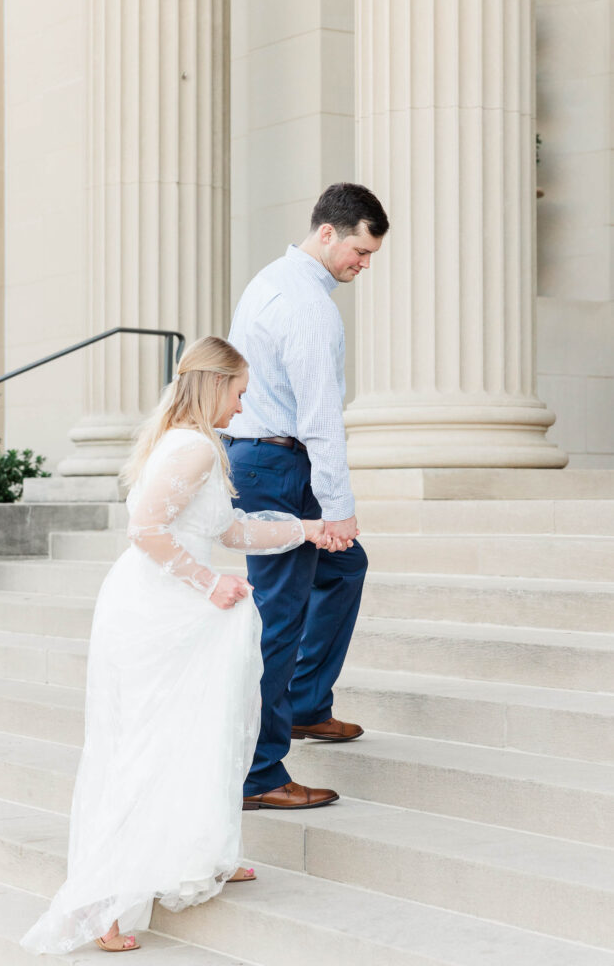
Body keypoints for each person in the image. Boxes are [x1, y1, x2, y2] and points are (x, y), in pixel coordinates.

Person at [21, 337, 332, 955]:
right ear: (215, 387)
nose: (242, 409)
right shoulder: (190, 446)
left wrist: (306, 530)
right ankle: (106, 904)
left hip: (173, 608)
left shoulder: (196, 444)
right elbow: (146, 531)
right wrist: (212, 580)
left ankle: (198, 854)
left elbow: (229, 528)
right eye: (239, 393)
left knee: (192, 738)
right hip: (157, 613)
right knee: (148, 745)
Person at [222, 182, 389, 810]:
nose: (363, 264)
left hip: (263, 457)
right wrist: (338, 506)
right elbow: (321, 416)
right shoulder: (308, 306)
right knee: (279, 616)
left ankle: (307, 704)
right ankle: (259, 775)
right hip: (279, 463)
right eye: (360, 250)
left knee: (345, 566)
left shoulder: (270, 278)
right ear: (327, 233)